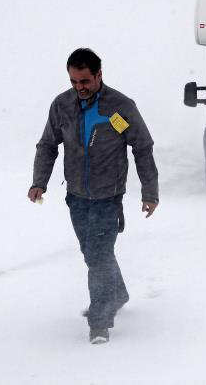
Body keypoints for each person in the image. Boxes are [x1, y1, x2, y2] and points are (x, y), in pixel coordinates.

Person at [28, 48, 159, 344]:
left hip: (108, 196)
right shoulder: (62, 105)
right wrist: (39, 182)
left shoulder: (119, 107)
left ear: (99, 74)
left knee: (98, 256)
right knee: (93, 254)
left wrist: (150, 192)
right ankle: (118, 293)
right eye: (74, 81)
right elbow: (47, 145)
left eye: (85, 81)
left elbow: (142, 146)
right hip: (76, 196)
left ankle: (100, 320)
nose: (80, 87)